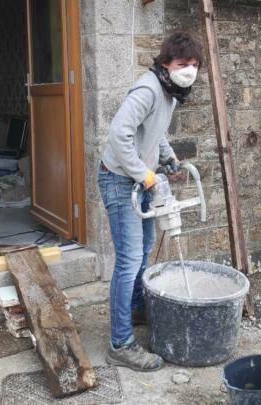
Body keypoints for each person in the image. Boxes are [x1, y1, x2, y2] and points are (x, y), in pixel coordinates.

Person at [97, 32, 203, 372]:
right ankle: (120, 343)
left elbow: (154, 134)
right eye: (182, 64)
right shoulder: (148, 89)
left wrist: (169, 158)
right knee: (128, 260)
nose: (188, 71)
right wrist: (142, 173)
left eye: (194, 65)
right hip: (118, 179)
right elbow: (119, 133)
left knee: (143, 247)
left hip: (138, 180)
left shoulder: (171, 91)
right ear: (165, 64)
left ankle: (135, 307)